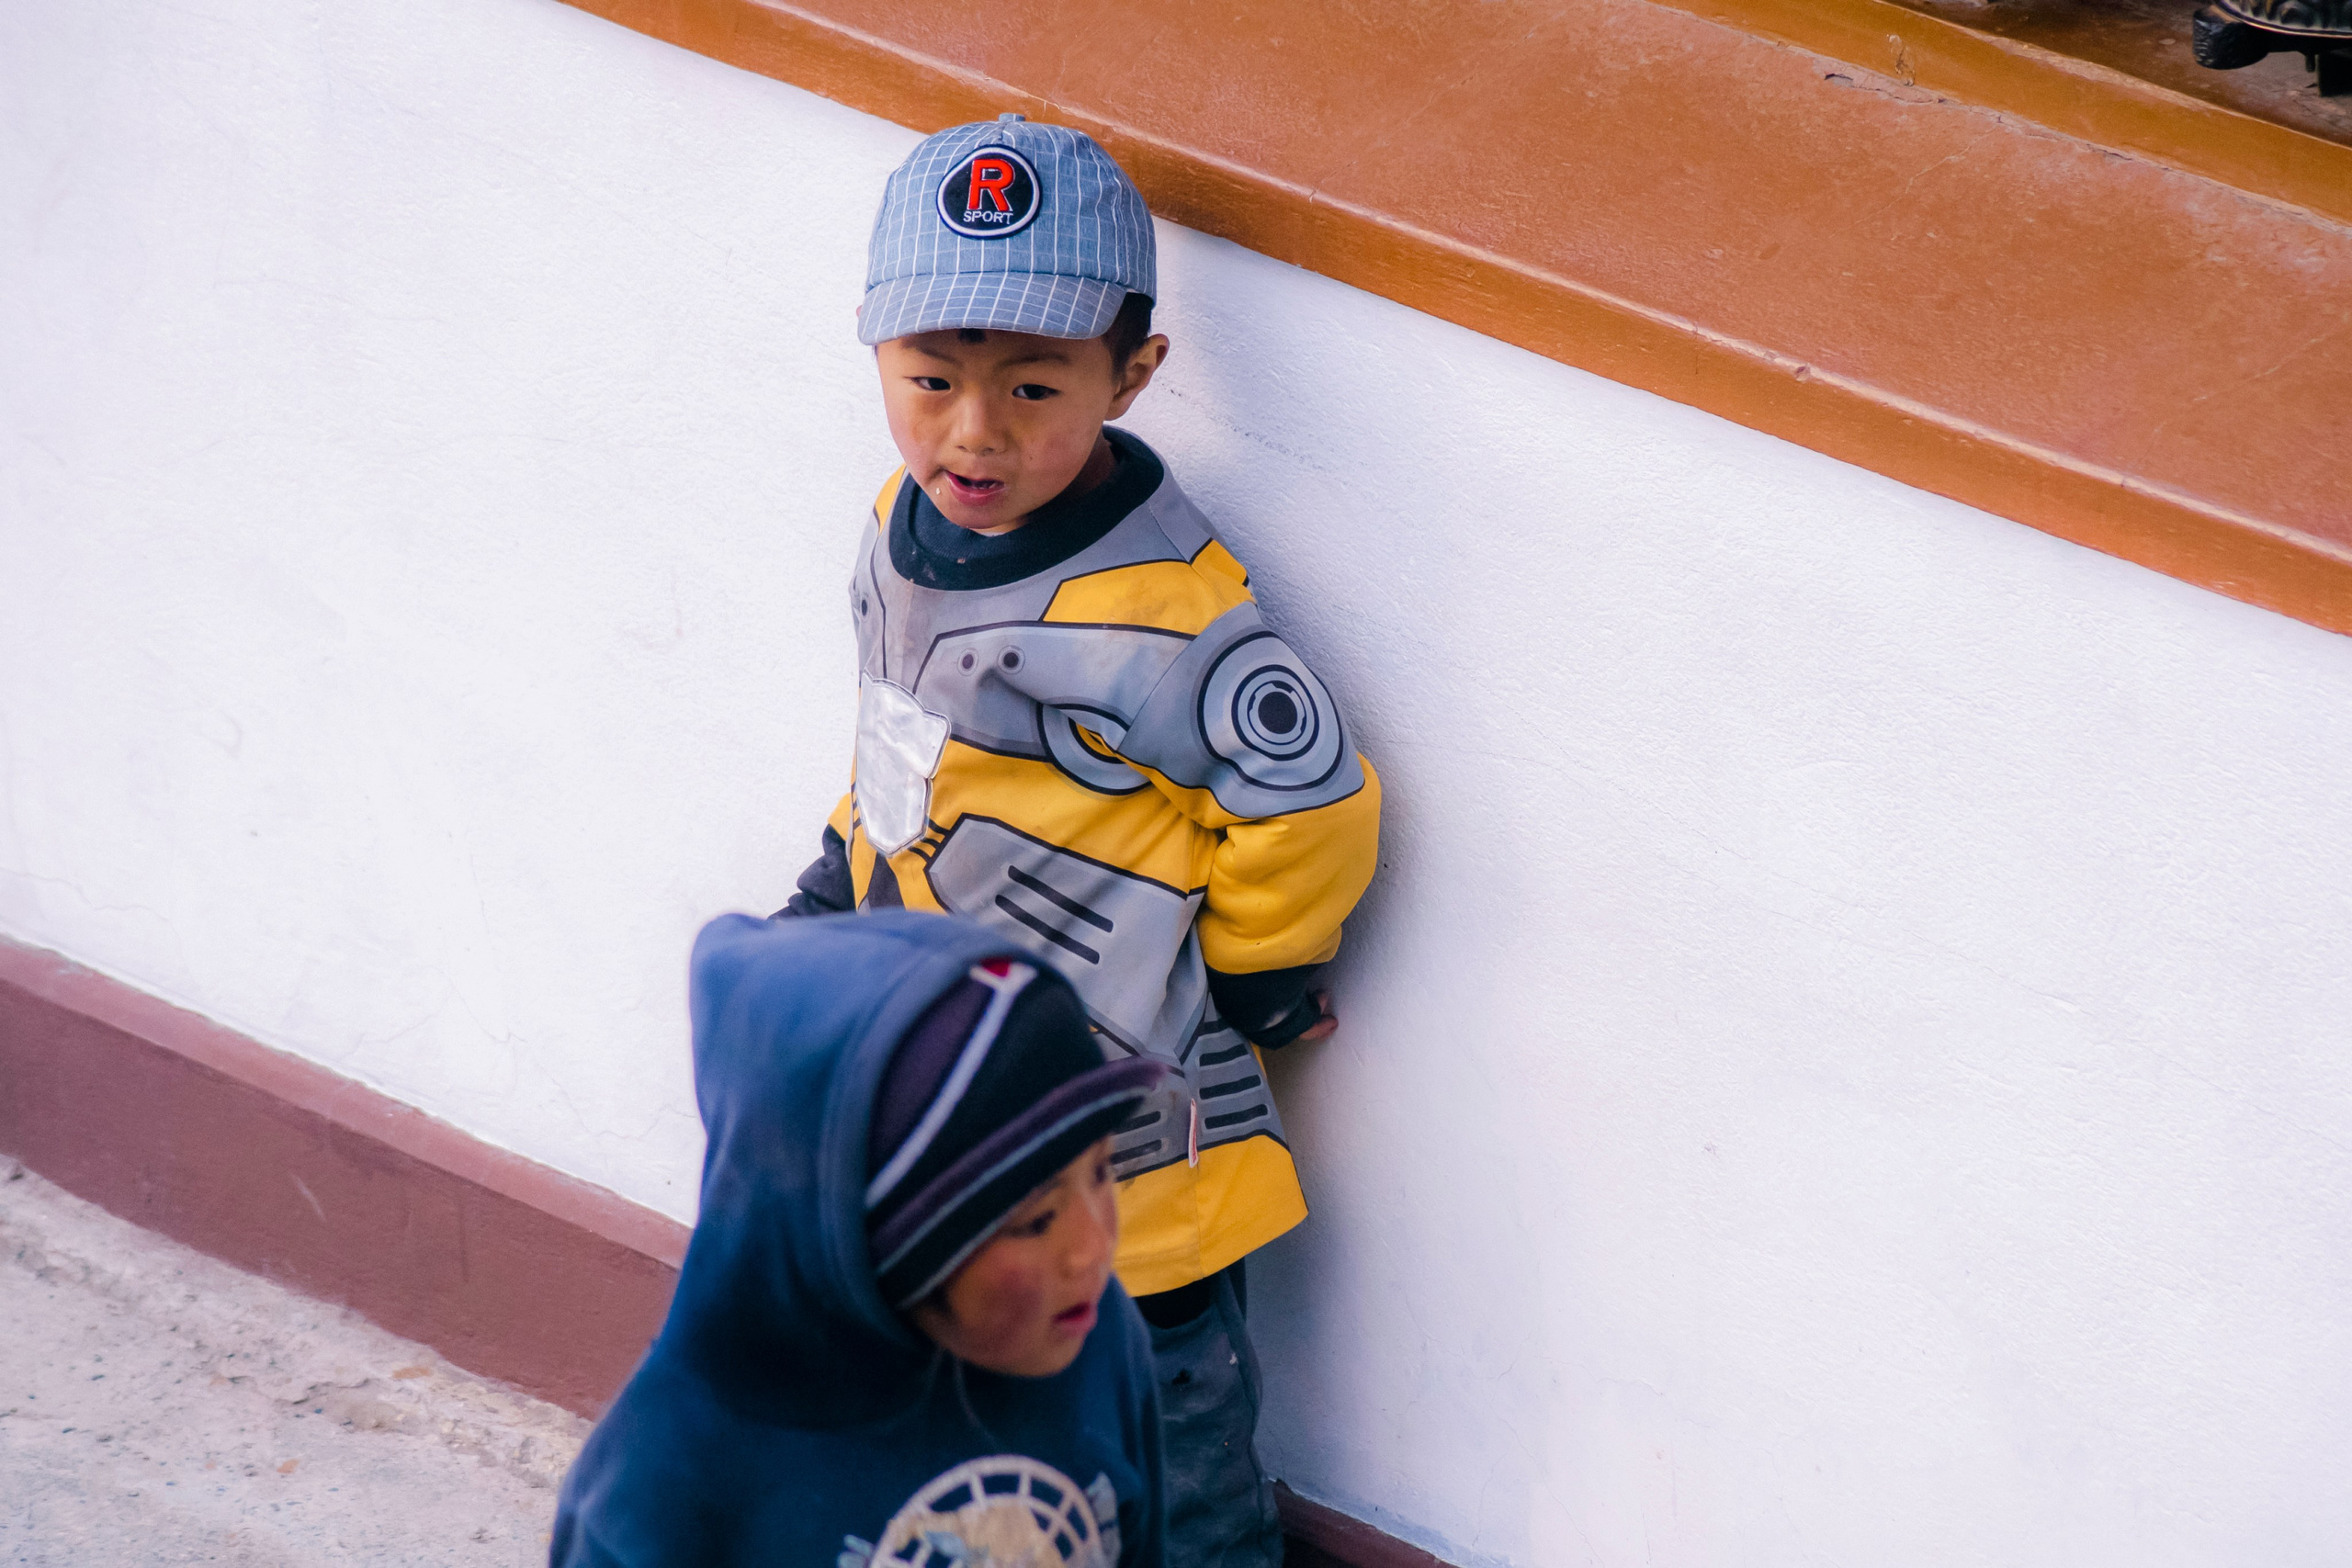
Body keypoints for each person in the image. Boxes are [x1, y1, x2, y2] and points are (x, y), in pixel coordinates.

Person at [775, 115, 1382, 1567]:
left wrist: (1258, 969)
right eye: (930, 381)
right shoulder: (894, 525)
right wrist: (842, 869)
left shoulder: (1165, 612)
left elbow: (1307, 796)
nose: (971, 433)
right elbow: (898, 728)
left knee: (1163, 1422)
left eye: (1033, 387)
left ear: (1134, 374)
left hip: (1124, 1111)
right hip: (954, 1080)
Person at [550, 910, 1168, 1567]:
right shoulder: (659, 1483)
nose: (1093, 1249)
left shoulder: (1093, 1338)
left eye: (1103, 1170)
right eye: (1033, 1220)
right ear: (867, 1244)